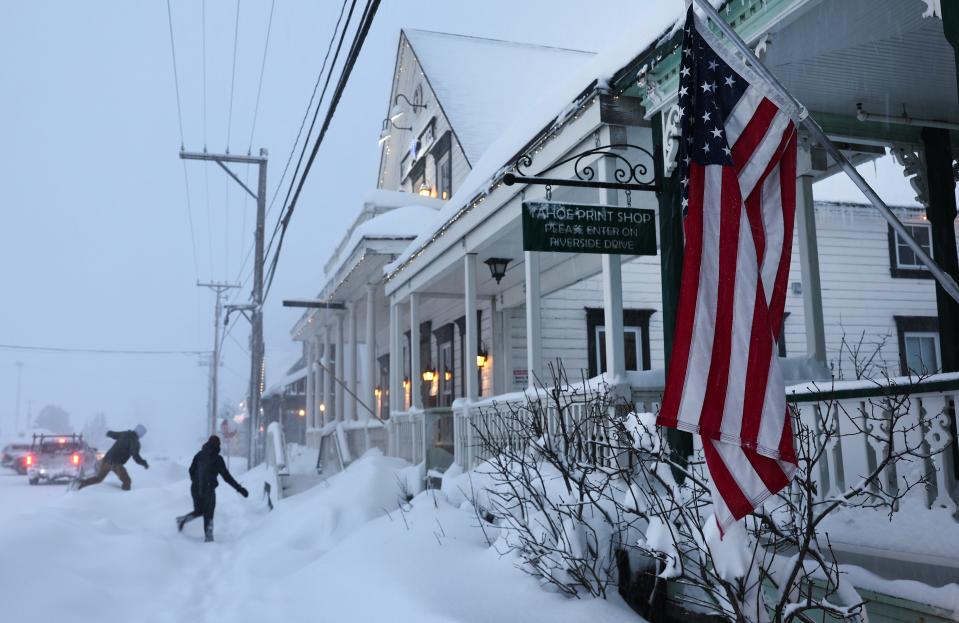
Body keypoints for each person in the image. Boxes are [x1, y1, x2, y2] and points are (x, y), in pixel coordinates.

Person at [176, 435, 248, 542]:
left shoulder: (199, 455)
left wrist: (197, 482)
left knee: (199, 511)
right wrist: (240, 489)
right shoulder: (217, 459)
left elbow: (191, 470)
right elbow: (227, 477)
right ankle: (209, 540)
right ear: (217, 445)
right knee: (208, 514)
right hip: (208, 489)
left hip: (195, 489)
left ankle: (183, 519)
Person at [77, 424, 149, 491]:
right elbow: (136, 456)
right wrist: (144, 463)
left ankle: (82, 483)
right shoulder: (135, 442)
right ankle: (124, 498)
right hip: (116, 464)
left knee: (98, 478)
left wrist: (108, 433)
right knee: (127, 481)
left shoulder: (124, 434)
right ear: (140, 434)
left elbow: (113, 434)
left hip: (106, 460)